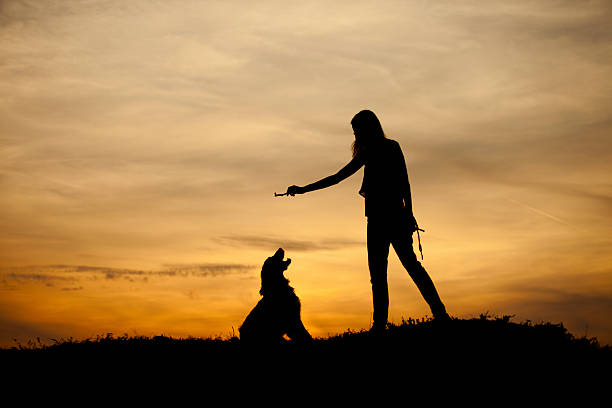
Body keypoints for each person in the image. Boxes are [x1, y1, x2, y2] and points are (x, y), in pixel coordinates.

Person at [285, 109, 449, 333]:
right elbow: (337, 177)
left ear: (368, 128)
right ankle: (381, 324)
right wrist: (304, 189)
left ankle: (439, 313)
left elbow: (404, 183)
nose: (355, 135)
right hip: (376, 220)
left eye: (357, 130)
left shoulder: (391, 147)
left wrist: (409, 215)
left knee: (408, 268)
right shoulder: (367, 153)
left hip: (392, 217)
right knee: (380, 274)